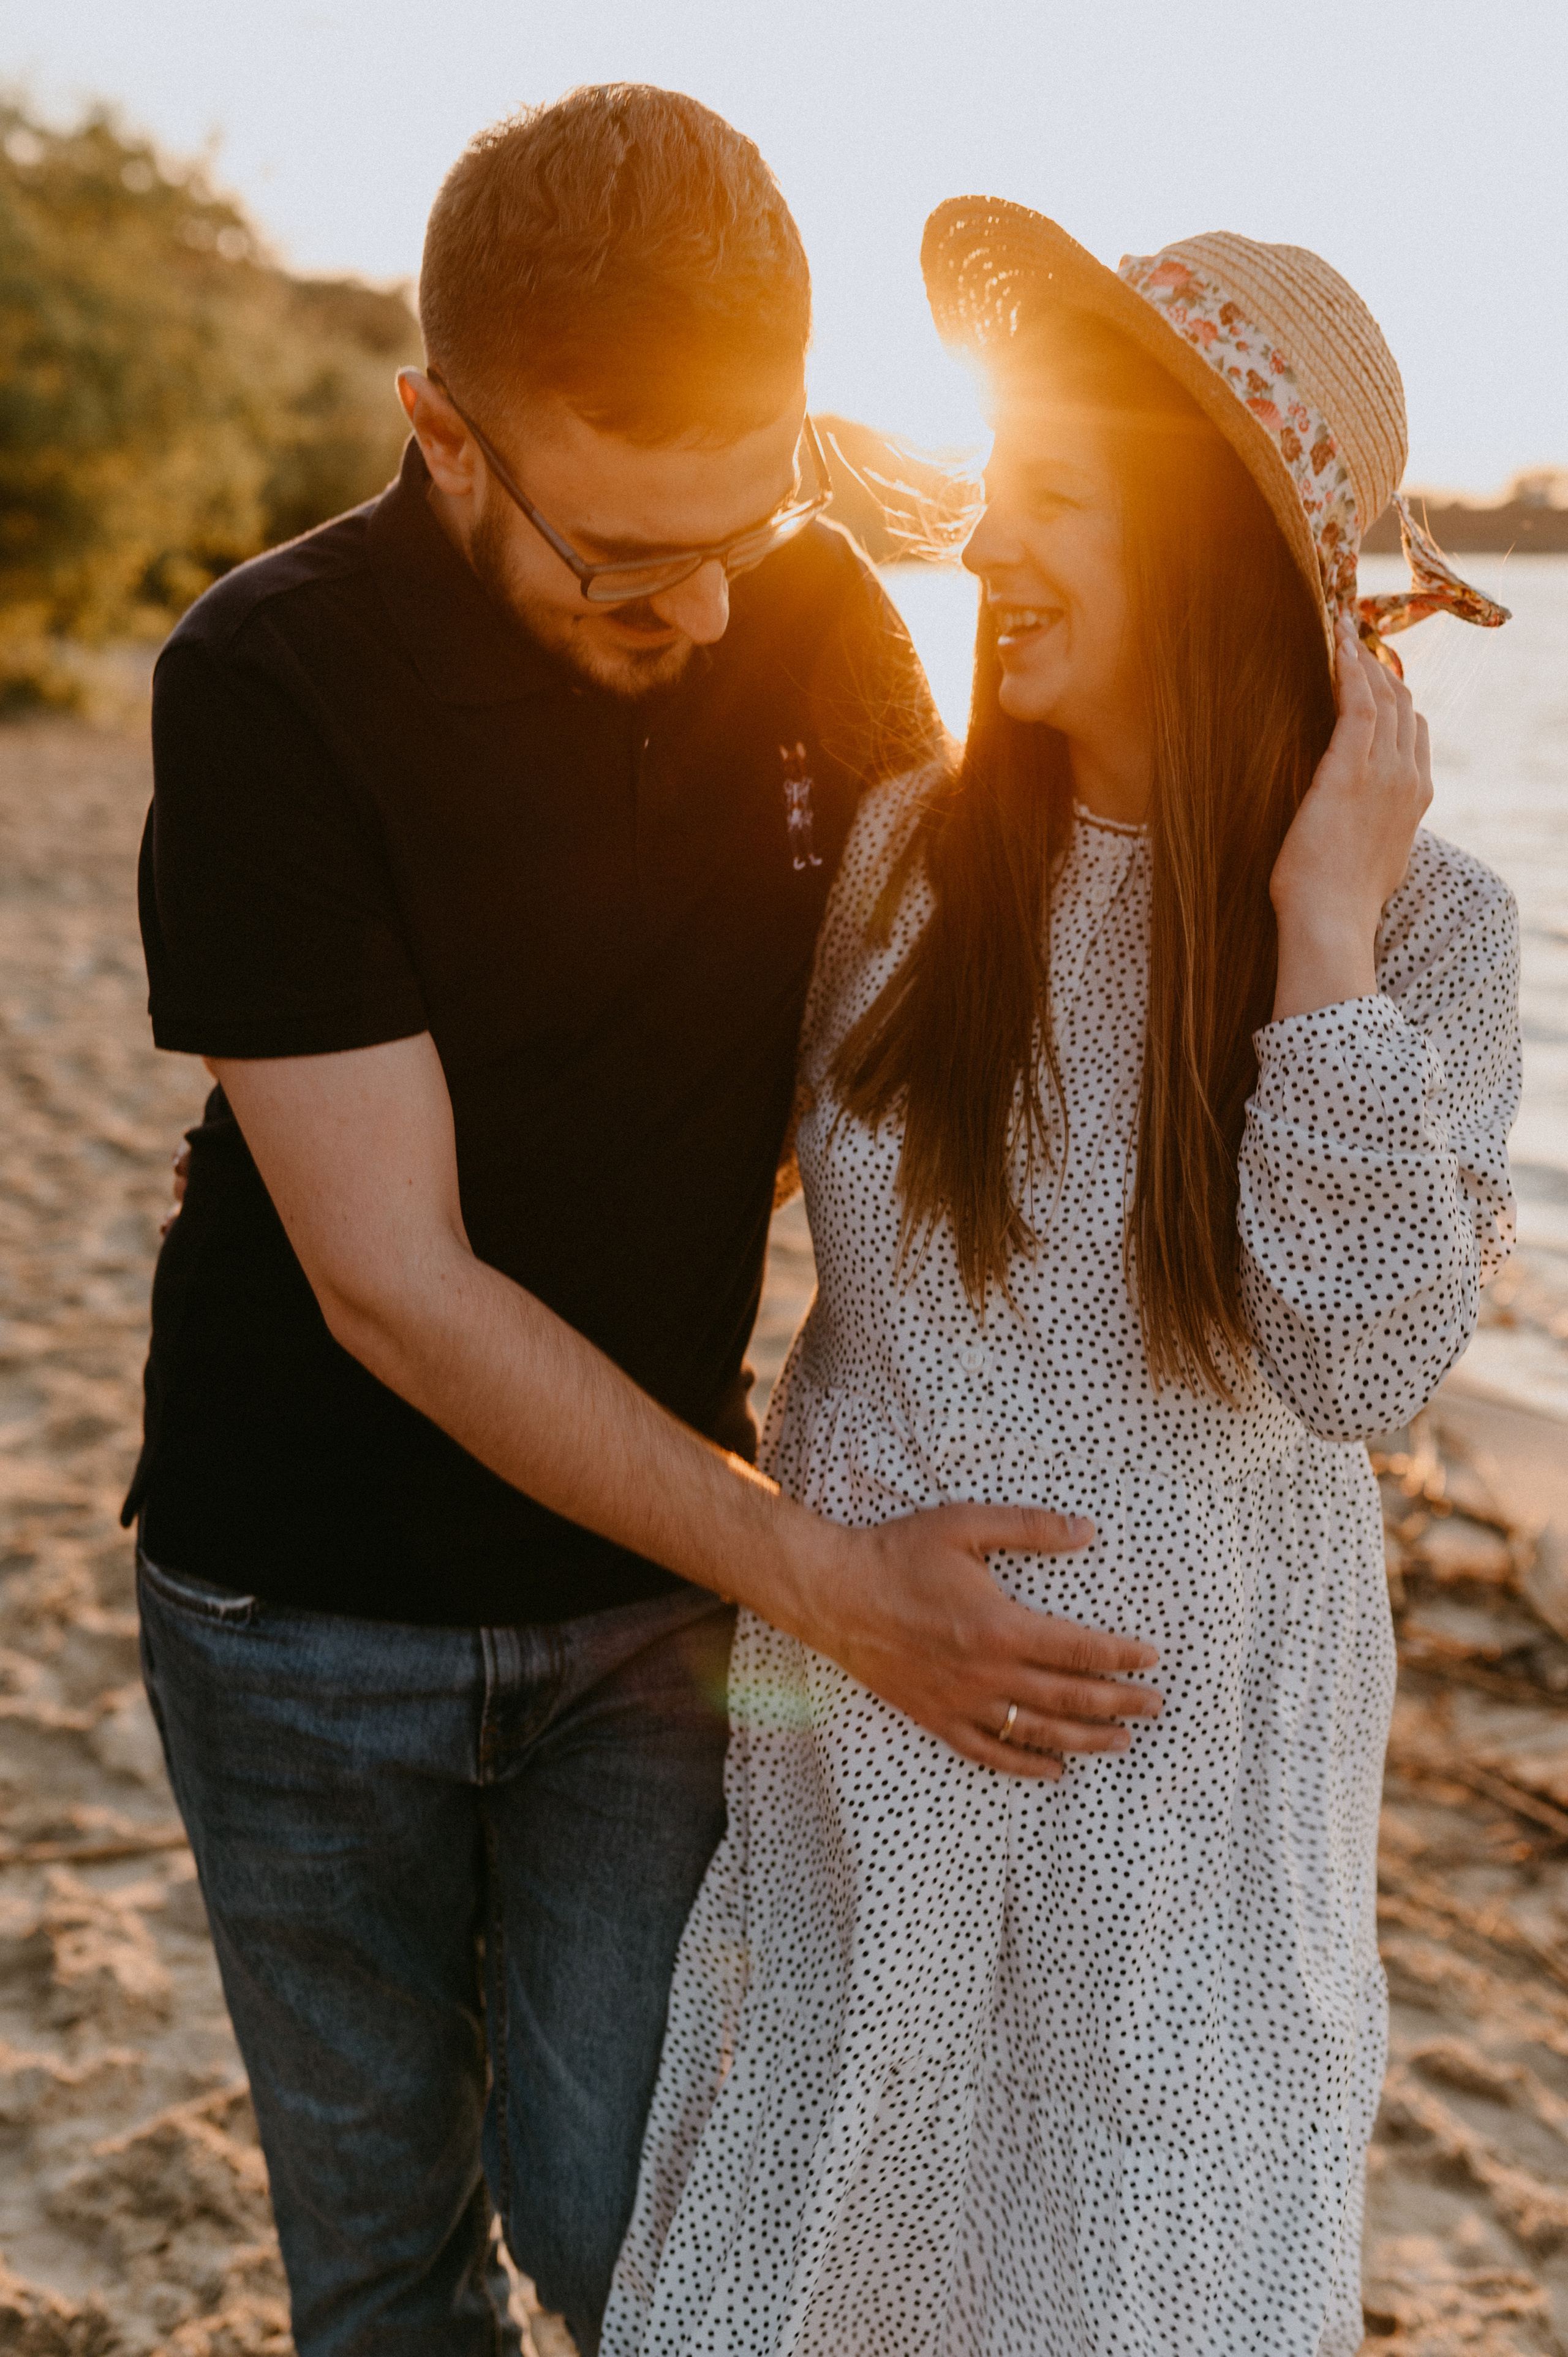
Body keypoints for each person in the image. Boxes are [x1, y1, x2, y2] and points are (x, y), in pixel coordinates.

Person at [127, 104, 1161, 2357]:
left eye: (754, 515)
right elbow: (392, 1284)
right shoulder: (268, 684)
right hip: (295, 1612)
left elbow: (959, 1031)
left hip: (641, 1607)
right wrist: (832, 1581)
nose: (702, 607)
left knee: (645, 2228)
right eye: (622, 561)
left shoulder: (804, 621)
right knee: (382, 2252)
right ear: (444, 436)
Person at [604, 206, 1520, 2356]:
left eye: (1063, 504)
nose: (993, 539)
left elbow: (1370, 1359)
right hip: (866, 1761)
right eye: (998, 486)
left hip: (1193, 1829)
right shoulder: (913, 860)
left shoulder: (1432, 932)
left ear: (1211, 557)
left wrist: (1317, 940)